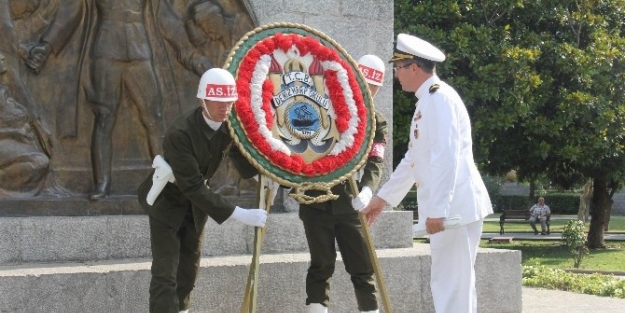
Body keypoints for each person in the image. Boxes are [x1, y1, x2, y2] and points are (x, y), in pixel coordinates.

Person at [362, 34, 493, 313]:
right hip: (452, 207)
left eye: (398, 68)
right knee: (450, 283)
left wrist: (438, 209)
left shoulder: (439, 99)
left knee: (451, 285)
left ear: (414, 68)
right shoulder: (427, 102)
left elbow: (446, 156)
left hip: (454, 209)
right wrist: (382, 198)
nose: (395, 75)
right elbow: (414, 160)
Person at [136, 68, 268, 313]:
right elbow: (192, 185)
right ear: (202, 101)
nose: (224, 108)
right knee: (166, 273)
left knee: (188, 271)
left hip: (196, 207)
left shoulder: (228, 126)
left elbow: (243, 160)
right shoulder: (180, 132)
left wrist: (269, 172)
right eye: (217, 101)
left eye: (228, 102)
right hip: (168, 203)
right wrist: (238, 213)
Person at [300, 55, 388, 313]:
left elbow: (376, 160)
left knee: (362, 267)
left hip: (351, 201)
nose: (366, 92)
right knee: (321, 265)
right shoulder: (322, 106)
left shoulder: (376, 121)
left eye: (373, 88)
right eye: (363, 84)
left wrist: (368, 188)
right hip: (315, 199)